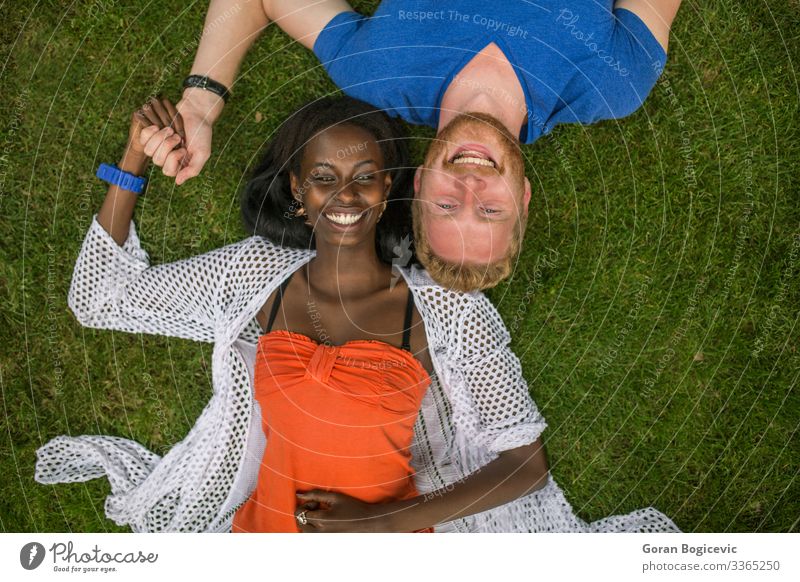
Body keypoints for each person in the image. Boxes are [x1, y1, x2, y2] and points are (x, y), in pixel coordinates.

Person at [35, 96, 678, 534]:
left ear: (389, 187)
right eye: (323, 177)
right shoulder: (252, 275)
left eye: (364, 176)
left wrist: (378, 524)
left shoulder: (448, 311)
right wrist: (131, 160)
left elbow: (525, 464)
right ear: (296, 191)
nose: (345, 196)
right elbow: (103, 299)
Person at [155, 0, 682, 291]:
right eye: (491, 209)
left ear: (419, 186)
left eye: (448, 205)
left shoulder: (378, 71)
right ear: (522, 197)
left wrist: (202, 103)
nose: (471, 186)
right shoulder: (613, 82)